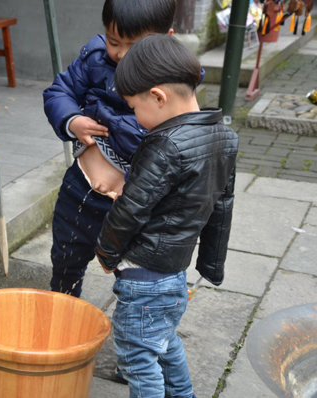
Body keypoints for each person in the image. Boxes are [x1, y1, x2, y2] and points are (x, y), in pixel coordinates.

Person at [95, 34, 238, 398]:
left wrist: (107, 252)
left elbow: (131, 208)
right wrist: (212, 265)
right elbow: (222, 206)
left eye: (133, 106)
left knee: (137, 358)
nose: (135, 117)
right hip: (175, 276)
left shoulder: (164, 144)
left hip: (144, 278)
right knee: (164, 342)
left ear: (157, 96)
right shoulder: (224, 137)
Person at [43, 0, 177, 299]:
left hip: (133, 205)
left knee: (135, 276)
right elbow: (59, 91)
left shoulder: (174, 82)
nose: (122, 54)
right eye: (114, 42)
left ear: (166, 38)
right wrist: (72, 119)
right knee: (66, 258)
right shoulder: (95, 59)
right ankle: (62, 310)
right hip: (81, 189)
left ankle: (138, 328)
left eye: (135, 45)